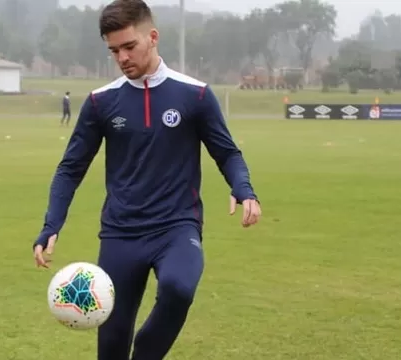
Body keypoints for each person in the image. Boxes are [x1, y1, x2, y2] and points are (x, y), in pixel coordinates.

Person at [32, 0, 261, 359]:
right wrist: (51, 224)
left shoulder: (195, 94)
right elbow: (70, 168)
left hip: (176, 226)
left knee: (178, 288)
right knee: (111, 343)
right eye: (114, 51)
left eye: (129, 46)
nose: (122, 58)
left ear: (152, 37)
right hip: (121, 234)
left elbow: (227, 152)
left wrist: (243, 188)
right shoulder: (101, 102)